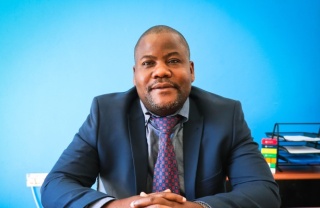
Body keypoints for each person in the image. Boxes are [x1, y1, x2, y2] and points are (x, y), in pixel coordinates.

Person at [41, 25, 281, 208]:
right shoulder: (105, 113)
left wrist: (195, 207)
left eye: (173, 60)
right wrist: (120, 206)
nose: (161, 71)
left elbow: (263, 190)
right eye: (148, 63)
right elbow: (56, 184)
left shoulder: (226, 114)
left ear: (191, 70)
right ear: (135, 76)